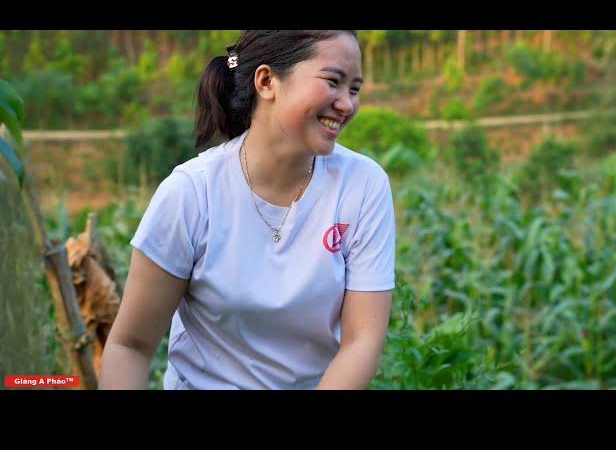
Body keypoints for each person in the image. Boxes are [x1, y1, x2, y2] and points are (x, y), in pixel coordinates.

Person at [99, 30, 395, 390]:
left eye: (354, 89)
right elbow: (130, 346)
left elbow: (361, 343)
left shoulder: (362, 186)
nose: (347, 104)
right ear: (267, 81)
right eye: (333, 82)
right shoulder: (192, 194)